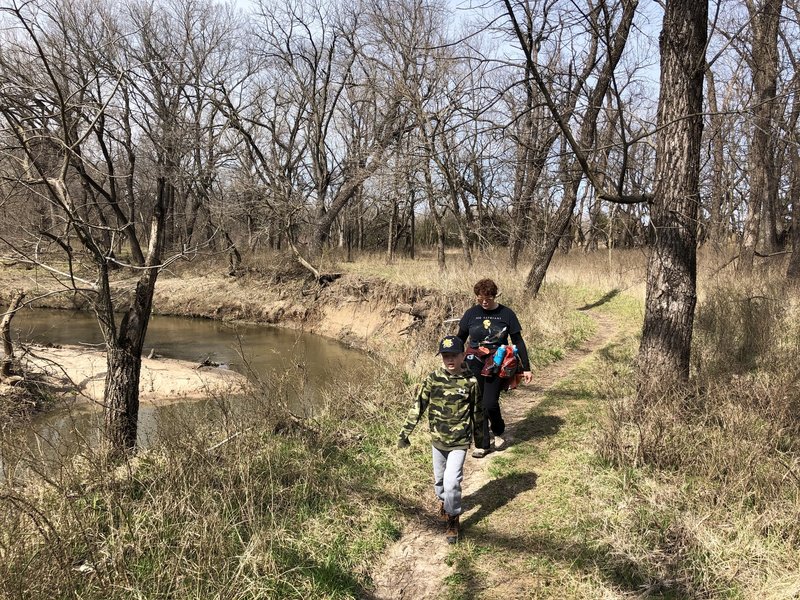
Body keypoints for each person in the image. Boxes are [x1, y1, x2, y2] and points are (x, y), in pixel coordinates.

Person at [397, 335, 482, 544]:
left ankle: (453, 519)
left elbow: (477, 412)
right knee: (440, 482)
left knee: (452, 481)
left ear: (463, 355)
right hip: (438, 440)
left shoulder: (471, 381)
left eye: (454, 355)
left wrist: (480, 440)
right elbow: (419, 405)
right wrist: (404, 433)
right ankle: (445, 503)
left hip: (460, 441)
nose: (450, 360)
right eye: (445, 356)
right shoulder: (433, 379)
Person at [457, 278, 533, 458]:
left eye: (488, 298)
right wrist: (453, 358)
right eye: (480, 298)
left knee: (489, 402)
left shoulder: (506, 314)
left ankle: (498, 429)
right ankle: (482, 444)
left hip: (498, 361)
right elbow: (460, 338)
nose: (484, 301)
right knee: (477, 402)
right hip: (473, 361)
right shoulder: (471, 314)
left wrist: (526, 368)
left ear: (494, 295)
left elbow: (518, 341)